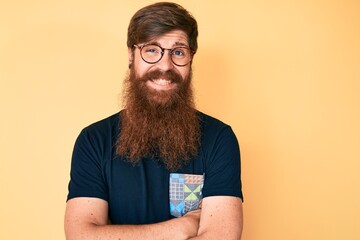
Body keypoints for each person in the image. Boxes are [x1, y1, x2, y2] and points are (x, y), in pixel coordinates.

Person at [64, 2, 243, 239]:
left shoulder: (219, 139)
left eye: (178, 52)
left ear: (191, 58)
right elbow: (80, 235)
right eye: (151, 50)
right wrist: (180, 228)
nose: (165, 66)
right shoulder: (93, 140)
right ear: (131, 54)